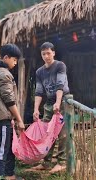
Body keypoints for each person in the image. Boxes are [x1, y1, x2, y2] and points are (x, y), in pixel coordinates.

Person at [0, 44, 25, 180]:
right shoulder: (4, 74)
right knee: (2, 149)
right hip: (1, 117)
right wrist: (19, 119)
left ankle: (10, 175)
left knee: (7, 147)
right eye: (14, 60)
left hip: (0, 116)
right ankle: (0, 177)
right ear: (6, 57)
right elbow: (9, 100)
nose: (15, 63)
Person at [30, 42, 70, 173]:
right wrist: (36, 109)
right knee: (47, 133)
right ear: (41, 55)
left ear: (53, 53)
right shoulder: (39, 72)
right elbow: (39, 91)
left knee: (62, 133)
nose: (46, 56)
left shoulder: (60, 65)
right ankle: (46, 163)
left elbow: (60, 85)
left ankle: (62, 162)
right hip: (49, 104)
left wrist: (58, 103)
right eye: (43, 54)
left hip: (63, 100)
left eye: (48, 53)